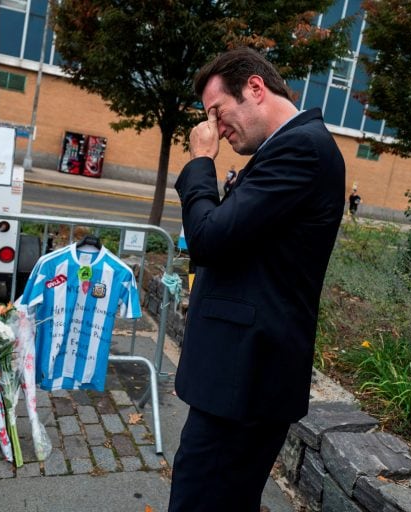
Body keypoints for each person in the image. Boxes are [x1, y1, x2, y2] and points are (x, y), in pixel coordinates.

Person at [169, 47, 346, 511]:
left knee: (201, 499)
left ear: (254, 87)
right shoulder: (285, 150)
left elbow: (208, 238)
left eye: (218, 112)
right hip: (240, 376)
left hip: (244, 377)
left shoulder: (302, 148)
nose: (215, 128)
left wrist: (199, 164)